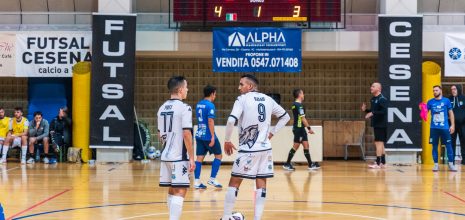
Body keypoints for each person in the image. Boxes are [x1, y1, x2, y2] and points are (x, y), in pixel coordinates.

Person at [221, 74, 290, 220]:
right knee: (261, 182)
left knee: (234, 182)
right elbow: (286, 117)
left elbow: (230, 120)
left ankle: (227, 217)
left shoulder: (242, 99)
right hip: (265, 149)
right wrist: (272, 133)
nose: (238, 88)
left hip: (248, 149)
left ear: (250, 86)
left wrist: (227, 140)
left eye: (241, 84)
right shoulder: (268, 99)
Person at [157, 76, 195, 220]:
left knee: (173, 189)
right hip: (179, 156)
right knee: (181, 190)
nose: (187, 89)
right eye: (186, 87)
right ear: (180, 90)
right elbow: (186, 133)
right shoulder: (185, 108)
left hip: (166, 155)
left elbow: (160, 135)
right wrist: (191, 157)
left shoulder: (162, 108)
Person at [283, 89, 320, 171]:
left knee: (306, 145)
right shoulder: (298, 105)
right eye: (303, 93)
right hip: (299, 129)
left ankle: (310, 164)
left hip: (301, 129)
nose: (304, 95)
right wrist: (309, 128)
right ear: (300, 94)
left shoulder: (294, 104)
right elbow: (303, 118)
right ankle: (287, 163)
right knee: (296, 146)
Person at [194, 85, 223, 189]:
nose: (215, 95)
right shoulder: (210, 105)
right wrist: (212, 136)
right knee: (218, 156)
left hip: (199, 134)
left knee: (199, 158)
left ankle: (197, 181)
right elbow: (210, 121)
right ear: (212, 94)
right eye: (215, 94)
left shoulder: (198, 104)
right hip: (208, 136)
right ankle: (212, 179)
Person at [427, 85, 457, 172]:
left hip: (445, 128)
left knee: (449, 145)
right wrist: (422, 109)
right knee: (434, 146)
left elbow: (451, 113)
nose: (434, 92)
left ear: (440, 91)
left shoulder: (446, 101)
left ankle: (451, 164)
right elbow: (424, 113)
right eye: (433, 91)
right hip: (434, 128)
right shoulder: (430, 102)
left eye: (436, 90)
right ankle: (436, 165)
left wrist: (452, 125)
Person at [361, 82, 388, 169]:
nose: (371, 88)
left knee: (378, 143)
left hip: (381, 124)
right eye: (371, 86)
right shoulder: (373, 99)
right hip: (376, 124)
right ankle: (383, 162)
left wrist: (372, 113)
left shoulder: (382, 99)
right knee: (380, 143)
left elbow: (384, 111)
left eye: (373, 86)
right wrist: (366, 110)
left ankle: (378, 162)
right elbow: (374, 111)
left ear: (379, 89)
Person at [448, 85, 465, 165]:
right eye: (452, 89)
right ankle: (451, 161)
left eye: (454, 89)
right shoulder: (449, 99)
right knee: (451, 143)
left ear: (458, 89)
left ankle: (464, 161)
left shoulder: (463, 98)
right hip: (452, 125)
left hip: (463, 126)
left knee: (463, 143)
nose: (453, 91)